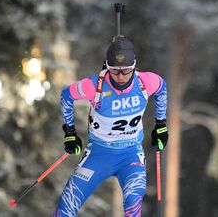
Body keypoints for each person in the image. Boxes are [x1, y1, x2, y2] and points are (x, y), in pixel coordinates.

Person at [53, 36, 168, 216]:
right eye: (114, 70)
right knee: (66, 206)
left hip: (130, 155)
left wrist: (161, 125)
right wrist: (70, 132)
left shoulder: (146, 82)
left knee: (133, 205)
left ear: (134, 66)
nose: (120, 76)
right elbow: (67, 96)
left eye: (126, 70)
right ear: (107, 66)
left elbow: (161, 87)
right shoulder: (94, 86)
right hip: (99, 154)